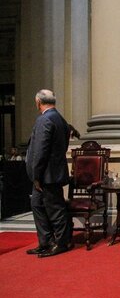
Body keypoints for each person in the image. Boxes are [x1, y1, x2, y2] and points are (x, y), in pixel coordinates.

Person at [25, 89, 72, 257]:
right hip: (52, 172)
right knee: (37, 205)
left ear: (38, 102)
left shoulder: (45, 119)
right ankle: (45, 242)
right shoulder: (60, 119)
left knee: (55, 209)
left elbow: (40, 150)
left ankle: (61, 243)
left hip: (46, 175)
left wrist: (36, 176)